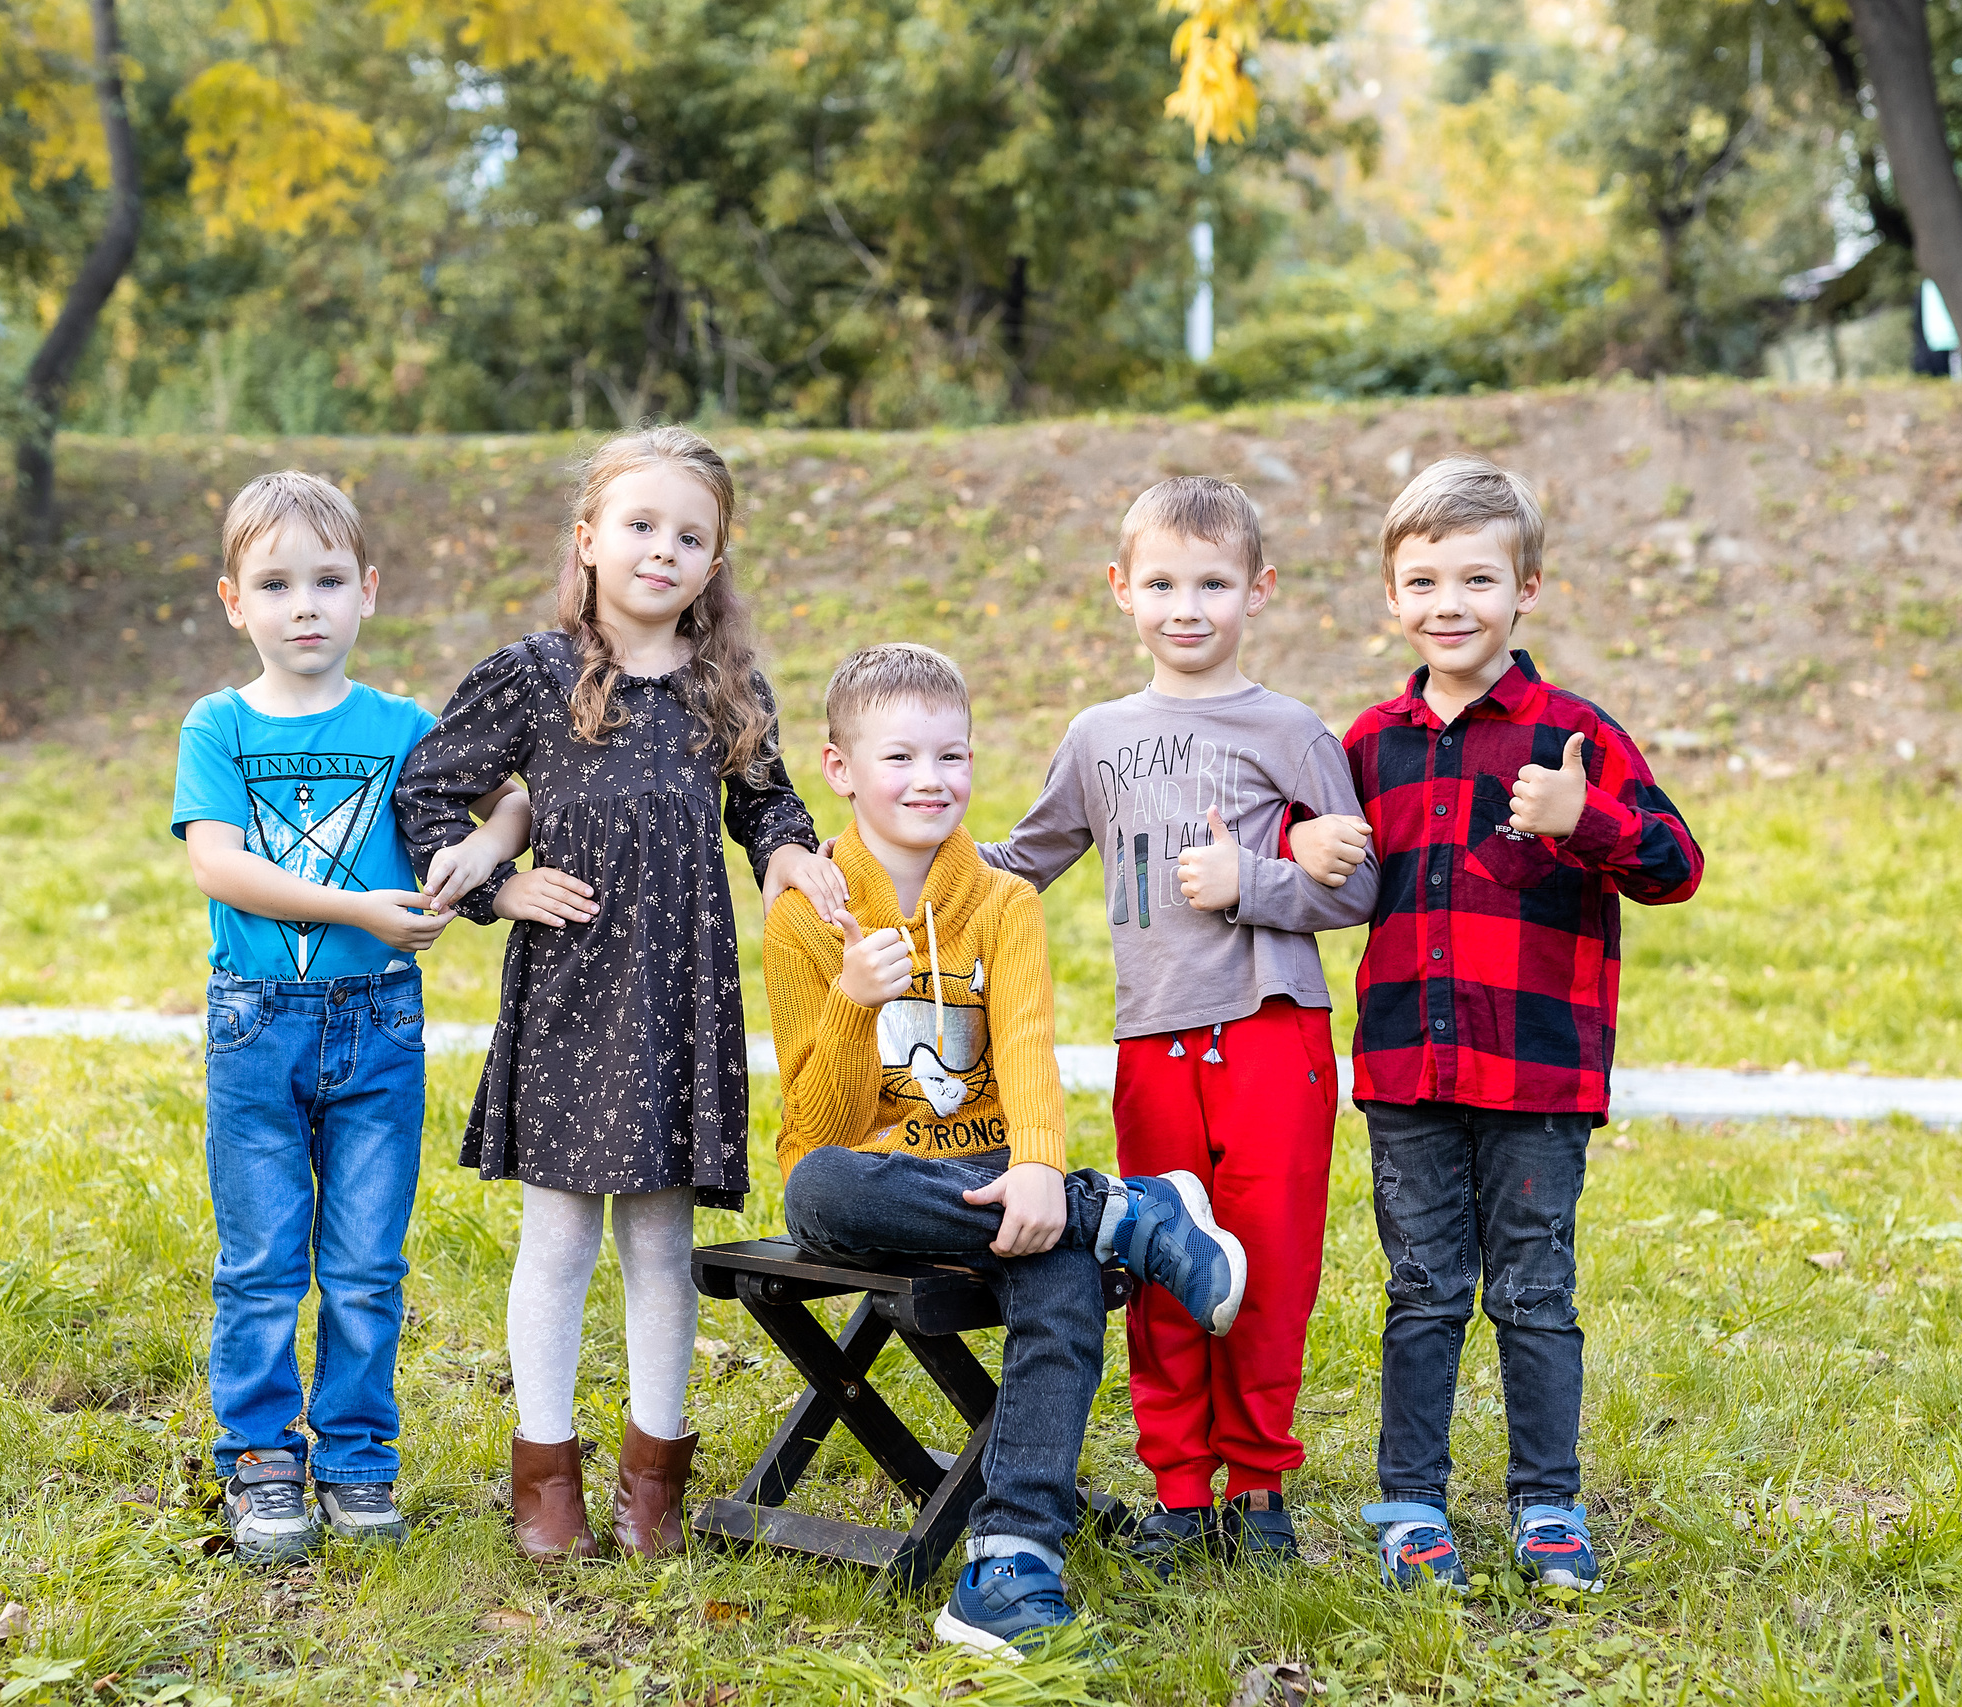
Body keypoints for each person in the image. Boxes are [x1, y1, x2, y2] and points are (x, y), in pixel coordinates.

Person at [1214, 455, 1704, 1593]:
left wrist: (1586, 821)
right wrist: (1294, 847)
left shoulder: (1571, 734)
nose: (1449, 603)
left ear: (1525, 588)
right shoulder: (1366, 743)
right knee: (1423, 1287)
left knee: (1534, 1289)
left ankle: (1546, 1502)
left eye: (1476, 580)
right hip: (1405, 1072)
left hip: (1537, 1078)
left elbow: (1676, 866)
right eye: (1423, 580)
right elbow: (1315, 859)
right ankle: (1409, 1501)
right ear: (1392, 597)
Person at [393, 426, 849, 1563]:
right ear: (589, 539)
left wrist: (792, 856)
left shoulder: (723, 683)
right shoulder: (532, 674)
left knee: (656, 1243)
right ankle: (545, 1486)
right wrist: (500, 885)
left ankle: (654, 1483)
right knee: (557, 1240)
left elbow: (767, 806)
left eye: (689, 535)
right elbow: (429, 795)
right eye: (640, 526)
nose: (663, 549)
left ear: (714, 561)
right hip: (571, 990)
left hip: (680, 996)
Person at [763, 642, 1251, 1657]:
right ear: (840, 769)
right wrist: (855, 1005)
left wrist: (1034, 1167)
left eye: (954, 756)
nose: (931, 780)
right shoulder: (805, 920)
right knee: (815, 1185)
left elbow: (1026, 1047)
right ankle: (1121, 1210)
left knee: (1057, 1260)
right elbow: (819, 1127)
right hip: (875, 1192)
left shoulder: (1002, 902)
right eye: (899, 759)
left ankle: (1012, 1558)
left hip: (995, 1183)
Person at [972, 477, 1357, 1574]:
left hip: (1272, 1033)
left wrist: (1253, 881)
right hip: (1153, 1046)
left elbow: (1352, 884)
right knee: (1167, 1264)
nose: (1186, 607)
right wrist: (905, 854)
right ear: (1119, 591)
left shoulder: (1290, 732)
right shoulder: (1097, 738)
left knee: (1269, 1266)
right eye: (1161, 584)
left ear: (1259, 590)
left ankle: (1260, 1489)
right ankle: (1181, 1493)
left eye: (1213, 584)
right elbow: (1021, 863)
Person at [173, 470, 526, 1564]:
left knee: (367, 1264)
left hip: (379, 1025)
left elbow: (514, 792)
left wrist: (482, 854)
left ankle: (358, 1459)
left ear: (367, 590)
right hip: (257, 1026)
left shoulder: (405, 725)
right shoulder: (218, 725)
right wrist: (352, 905)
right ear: (236, 602)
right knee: (264, 1260)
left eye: (328, 580)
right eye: (275, 585)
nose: (305, 606)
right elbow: (221, 867)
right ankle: (261, 1459)